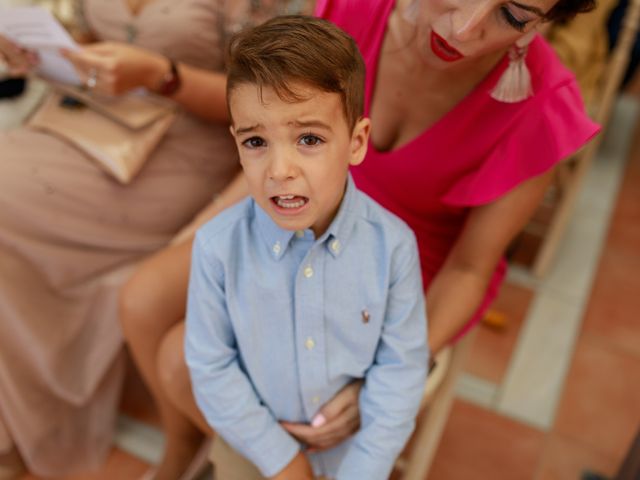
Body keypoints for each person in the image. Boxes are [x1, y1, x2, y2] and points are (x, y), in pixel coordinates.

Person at [120, 0, 600, 464]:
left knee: (180, 363)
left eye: (512, 15)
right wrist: (207, 225)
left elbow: (471, 268)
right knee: (141, 300)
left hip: (399, 275)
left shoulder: (542, 108)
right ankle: (189, 439)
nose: (465, 27)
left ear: (545, 21)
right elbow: (273, 123)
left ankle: (261, 458)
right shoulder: (352, 7)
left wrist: (392, 369)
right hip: (298, 204)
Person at [0, 0, 310, 478]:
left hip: (188, 146)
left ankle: (28, 419)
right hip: (86, 121)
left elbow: (277, 103)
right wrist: (43, 55)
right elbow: (89, 47)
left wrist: (162, 76)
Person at [185, 16, 428, 479]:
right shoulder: (216, 250)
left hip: (353, 457)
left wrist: (364, 470)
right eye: (256, 141)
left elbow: (401, 368)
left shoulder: (392, 247)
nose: (280, 169)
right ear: (237, 145)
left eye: (309, 139)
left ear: (356, 142)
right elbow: (211, 366)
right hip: (256, 449)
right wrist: (286, 463)